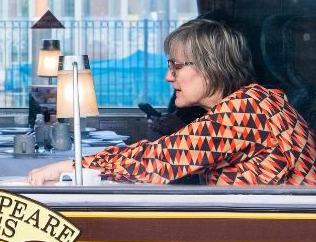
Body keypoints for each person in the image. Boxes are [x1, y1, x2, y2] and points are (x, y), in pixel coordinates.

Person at [28, 18, 316, 186]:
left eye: (176, 67)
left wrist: (71, 165)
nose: (168, 76)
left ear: (211, 66)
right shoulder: (257, 102)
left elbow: (158, 159)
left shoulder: (247, 110)